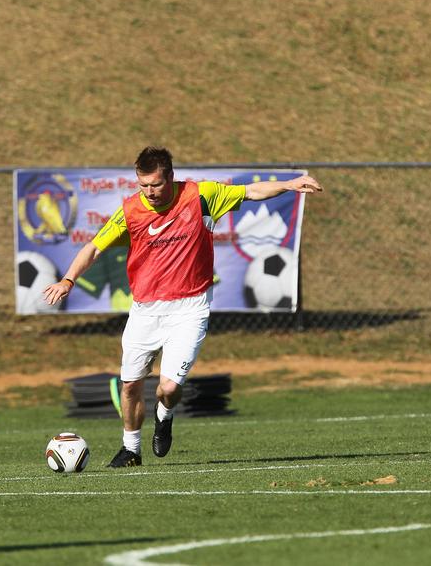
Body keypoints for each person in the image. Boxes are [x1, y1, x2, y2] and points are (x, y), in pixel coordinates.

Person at [43, 146, 322, 467]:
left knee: (169, 387)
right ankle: (130, 450)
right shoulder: (131, 210)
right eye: (143, 185)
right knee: (130, 385)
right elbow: (93, 248)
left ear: (171, 178)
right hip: (145, 310)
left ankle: (165, 414)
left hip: (190, 308)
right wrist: (68, 280)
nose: (149, 192)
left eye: (156, 185)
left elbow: (251, 192)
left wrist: (289, 184)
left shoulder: (201, 196)